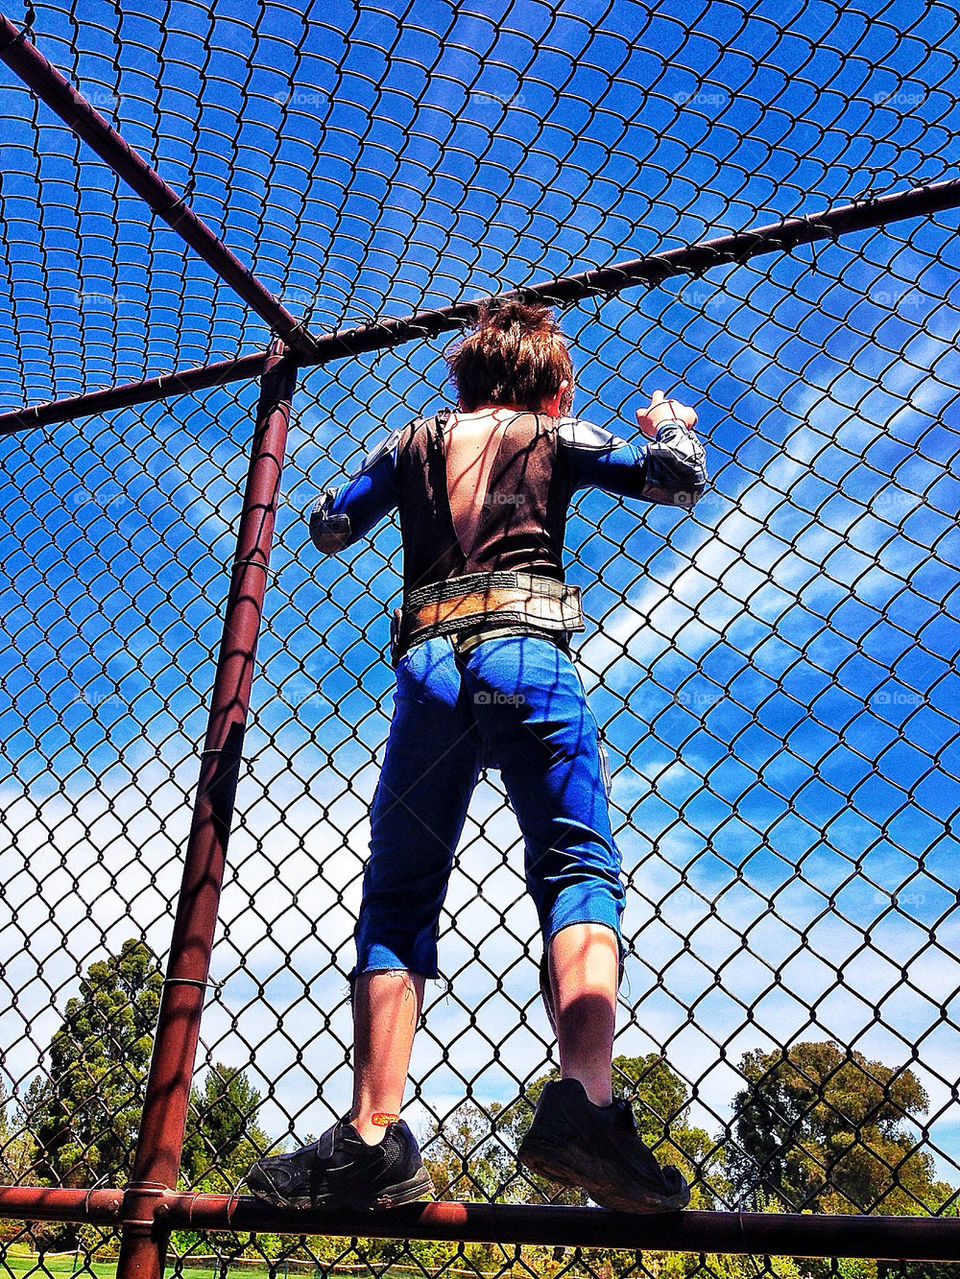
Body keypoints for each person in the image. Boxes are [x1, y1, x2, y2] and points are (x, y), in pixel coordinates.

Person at [247, 298, 708, 1214]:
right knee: (576, 866)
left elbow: (329, 526)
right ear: (551, 381)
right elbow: (674, 479)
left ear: (462, 377)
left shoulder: (412, 441)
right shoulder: (558, 432)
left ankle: (372, 1137)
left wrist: (342, 491)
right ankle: (586, 1103)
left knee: (400, 891)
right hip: (527, 654)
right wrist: (671, 428)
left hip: (429, 667)